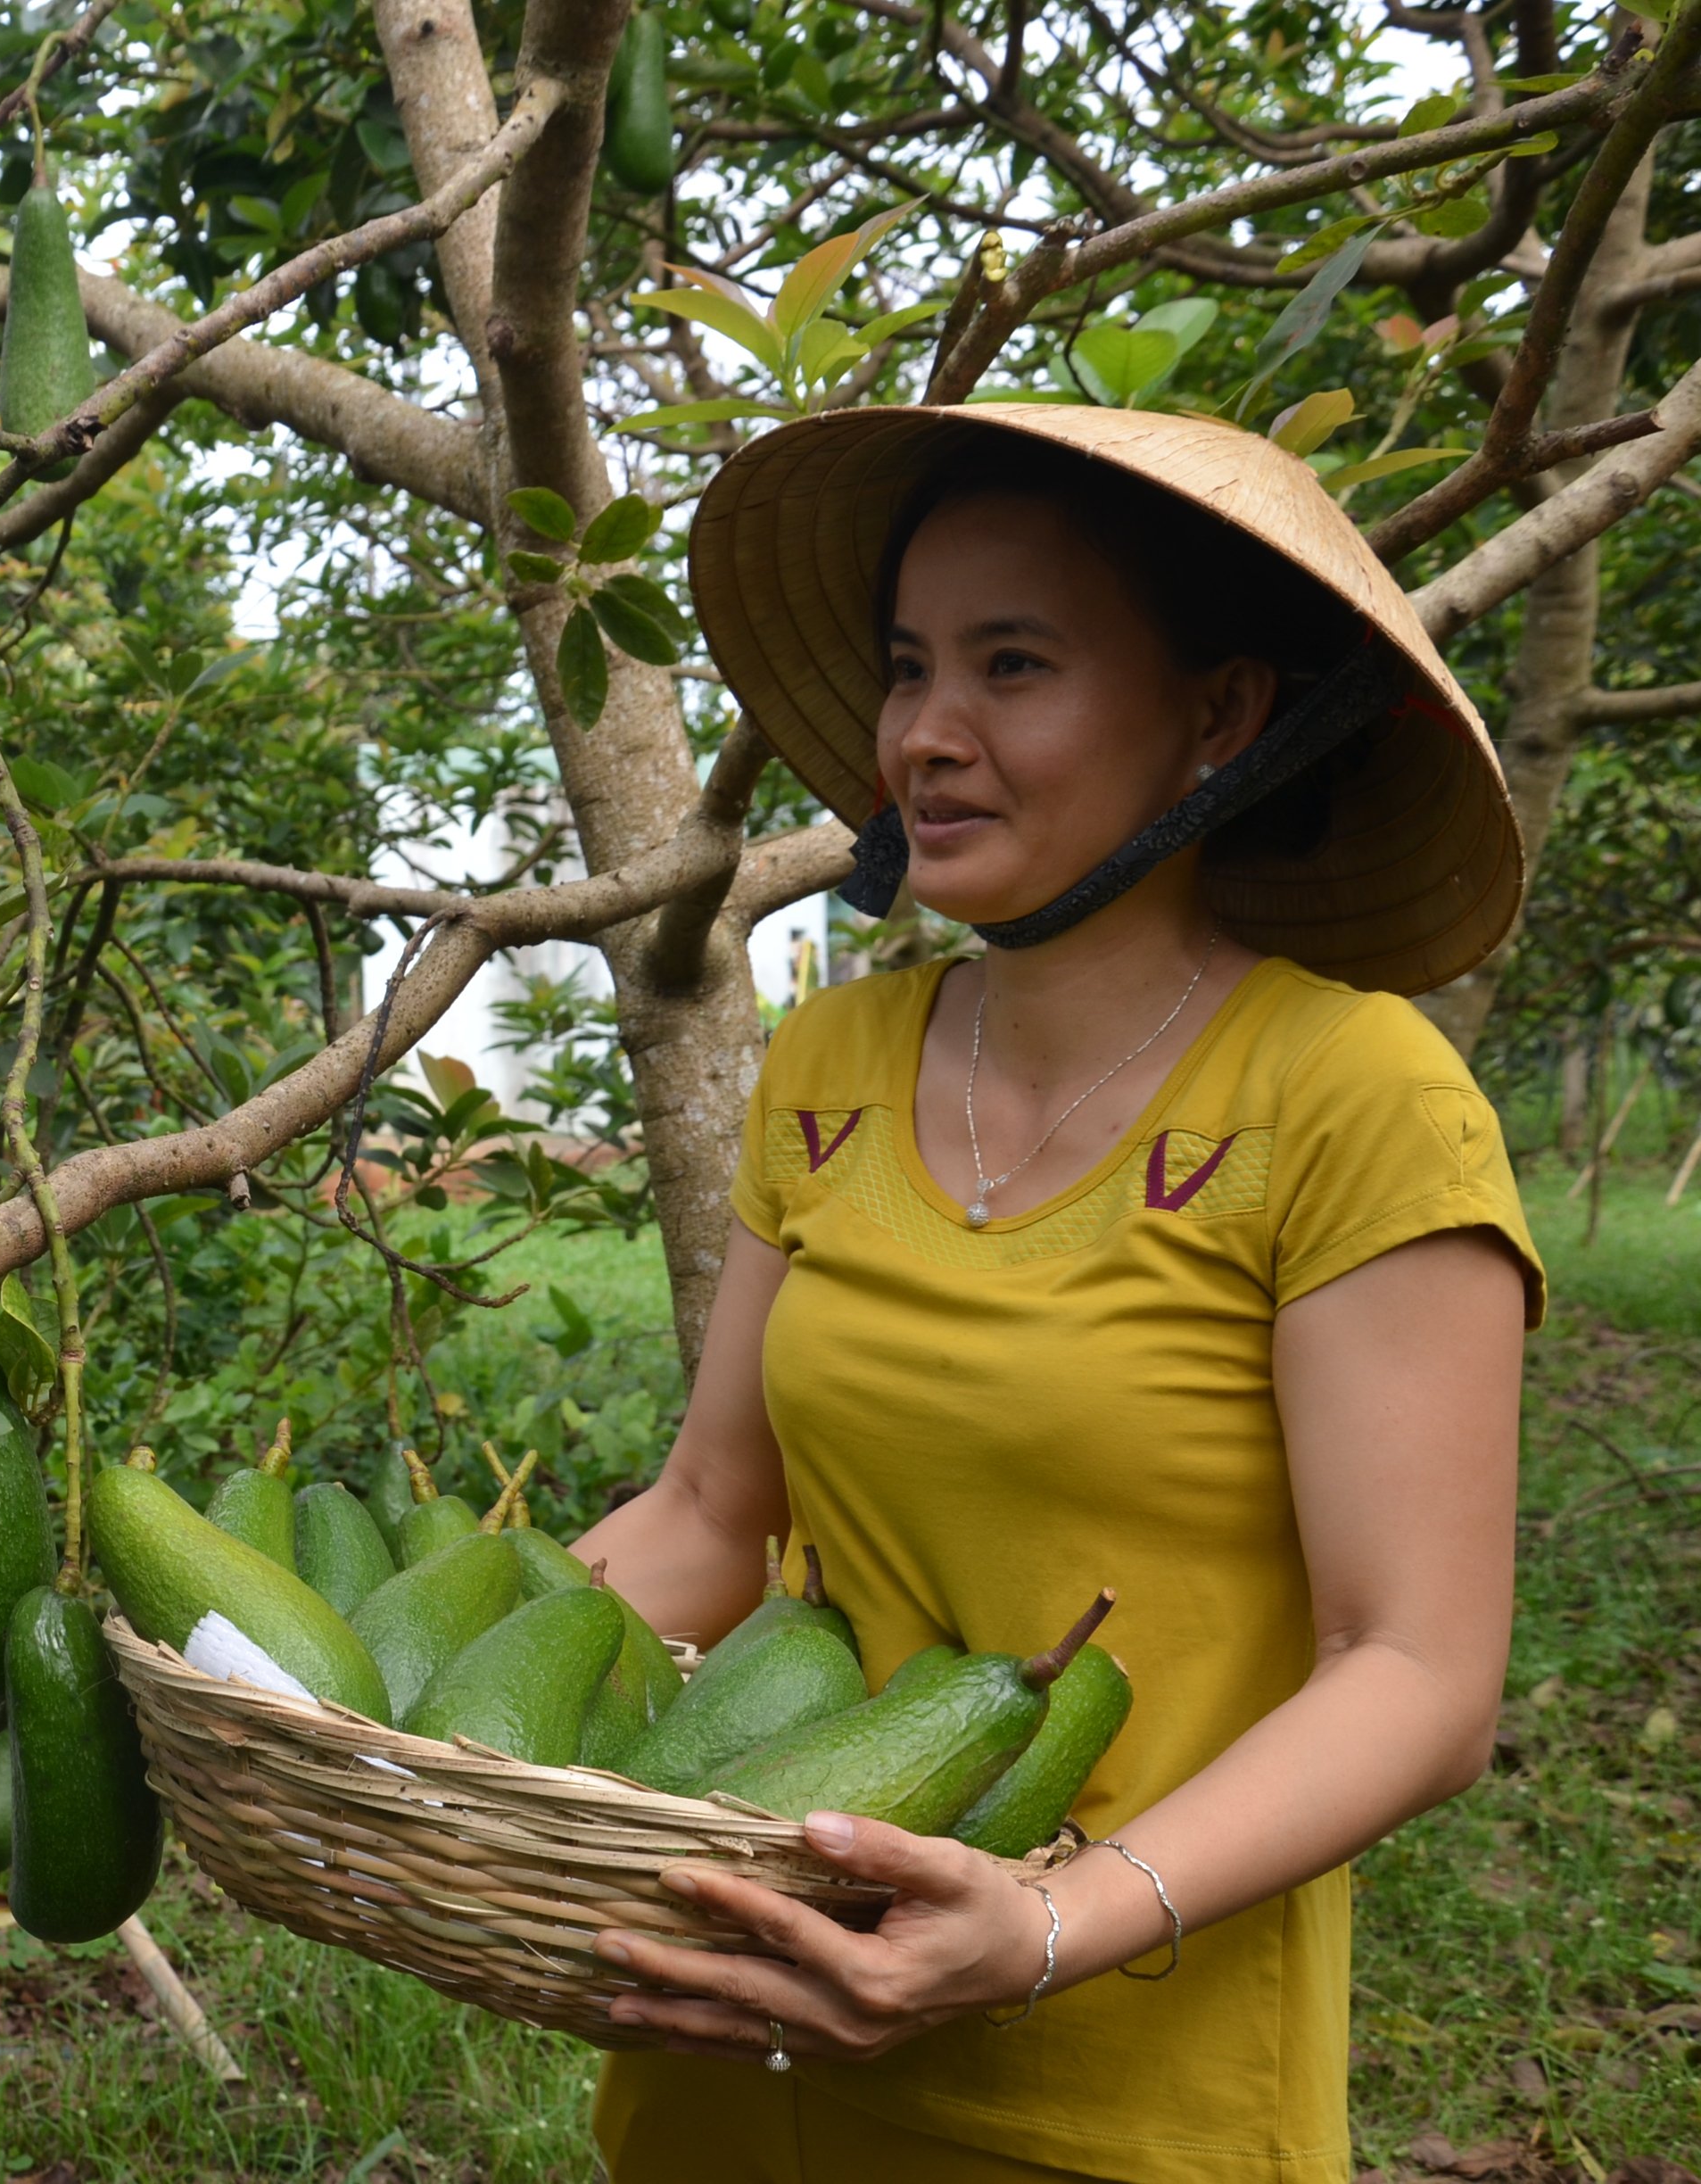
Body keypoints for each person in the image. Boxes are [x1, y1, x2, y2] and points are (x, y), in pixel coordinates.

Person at [573, 404, 1540, 2184]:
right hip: (740, 2045)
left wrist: (1046, 1926)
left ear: (1220, 716)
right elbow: (717, 1508)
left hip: (1112, 2094)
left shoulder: (1349, 1099)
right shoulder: (836, 1060)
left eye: (1014, 666)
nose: (928, 738)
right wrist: (381, 1730)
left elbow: (1415, 1670)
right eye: (909, 667)